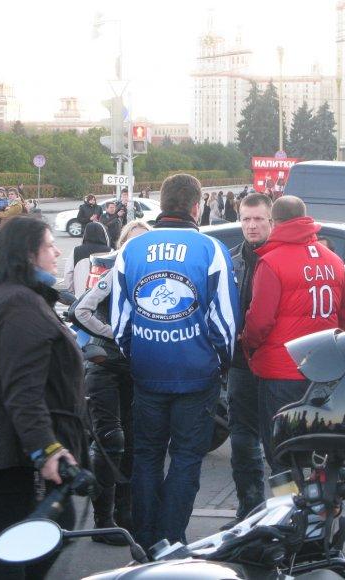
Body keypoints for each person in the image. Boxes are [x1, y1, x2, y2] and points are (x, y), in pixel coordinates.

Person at [109, 173, 240, 550]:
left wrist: (138, 355)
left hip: (148, 373)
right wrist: (221, 363)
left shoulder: (131, 250)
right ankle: (170, 540)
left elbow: (120, 322)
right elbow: (226, 322)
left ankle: (145, 540)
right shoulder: (210, 249)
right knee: (185, 459)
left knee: (147, 457)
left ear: (162, 203)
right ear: (197, 207)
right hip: (197, 376)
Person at [0, 216, 87, 579]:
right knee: (20, 547)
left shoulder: (17, 296)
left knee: (25, 541)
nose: (57, 252)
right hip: (11, 445)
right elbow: (22, 389)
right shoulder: (19, 304)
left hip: (9, 441)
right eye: (50, 245)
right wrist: (46, 449)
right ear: (29, 254)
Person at [241, 195, 345, 474]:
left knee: (281, 455)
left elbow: (259, 322)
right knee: (321, 451)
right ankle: (322, 499)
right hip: (324, 373)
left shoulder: (271, 262)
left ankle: (288, 500)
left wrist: (248, 346)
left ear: (274, 222)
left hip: (281, 373)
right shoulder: (333, 260)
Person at [73, 219, 152, 544]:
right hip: (104, 365)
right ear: (122, 246)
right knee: (111, 441)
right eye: (132, 242)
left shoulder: (153, 276)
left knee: (133, 441)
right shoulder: (113, 273)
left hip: (135, 367)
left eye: (144, 243)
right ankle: (103, 520)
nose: (138, 249)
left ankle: (125, 515)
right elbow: (81, 311)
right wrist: (115, 335)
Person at [223, 194, 273, 529]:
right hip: (241, 363)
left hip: (277, 364)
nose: (251, 226)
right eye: (246, 219)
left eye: (258, 219)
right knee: (242, 439)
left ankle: (287, 513)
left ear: (271, 221)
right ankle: (250, 511)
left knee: (280, 443)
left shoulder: (280, 259)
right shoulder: (230, 261)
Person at [64, 222, 111, 295]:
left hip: (80, 296)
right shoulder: (110, 252)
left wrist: (72, 291)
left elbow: (68, 273)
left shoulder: (76, 251)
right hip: (104, 296)